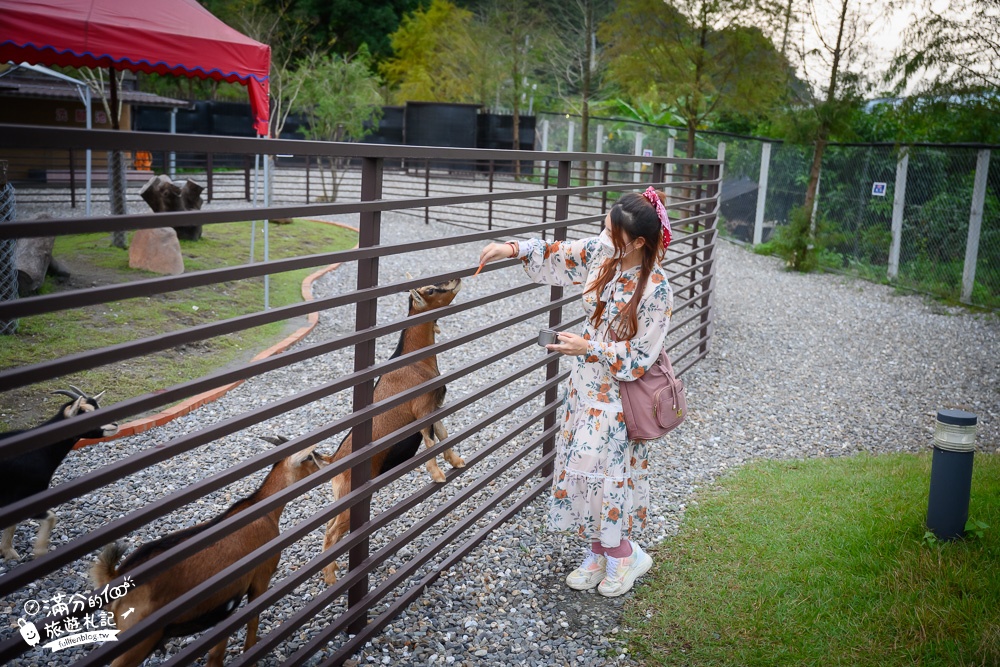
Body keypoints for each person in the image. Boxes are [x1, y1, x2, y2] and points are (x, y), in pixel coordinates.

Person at [478, 186, 674, 597]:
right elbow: (561, 252)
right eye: (604, 227)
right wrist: (511, 248)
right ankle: (600, 552)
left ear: (639, 242)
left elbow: (639, 357)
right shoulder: (604, 253)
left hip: (620, 396)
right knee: (583, 469)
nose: (603, 237)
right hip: (584, 387)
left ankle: (625, 555)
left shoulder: (656, 289)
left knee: (604, 474)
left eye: (613, 233)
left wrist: (589, 347)